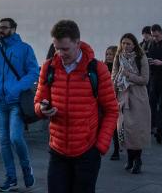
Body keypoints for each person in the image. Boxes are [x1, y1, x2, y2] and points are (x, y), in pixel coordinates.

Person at [35, 19, 118, 193]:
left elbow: (111, 110)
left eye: (65, 48)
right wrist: (42, 109)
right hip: (57, 150)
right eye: (56, 48)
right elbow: (38, 101)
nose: (60, 53)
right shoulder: (48, 68)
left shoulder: (97, 69)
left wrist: (100, 147)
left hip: (87, 151)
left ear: (78, 43)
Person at [0, 17, 40, 192]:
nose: (1, 30)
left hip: (16, 102)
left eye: (4, 27)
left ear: (13, 29)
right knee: (4, 141)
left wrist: (17, 88)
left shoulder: (25, 49)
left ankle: (26, 168)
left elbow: (33, 72)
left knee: (15, 137)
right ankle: (11, 178)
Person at [111, 33, 150, 174]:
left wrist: (129, 75)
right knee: (123, 129)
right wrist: (115, 84)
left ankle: (137, 160)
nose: (125, 46)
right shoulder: (118, 57)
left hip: (138, 97)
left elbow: (145, 79)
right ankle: (129, 158)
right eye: (123, 43)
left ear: (134, 45)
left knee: (136, 130)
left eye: (128, 43)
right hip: (122, 96)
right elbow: (114, 75)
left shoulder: (141, 57)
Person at [103, 45, 121, 161]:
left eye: (111, 54)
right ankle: (116, 148)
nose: (109, 56)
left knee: (117, 126)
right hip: (106, 100)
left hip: (118, 99)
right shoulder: (102, 68)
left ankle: (117, 149)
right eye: (107, 54)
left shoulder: (119, 68)